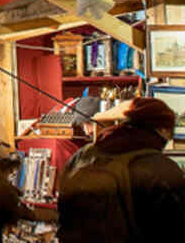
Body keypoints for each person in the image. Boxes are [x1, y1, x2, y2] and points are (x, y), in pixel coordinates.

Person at [58, 96, 185, 242]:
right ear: (161, 129)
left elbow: (63, 210)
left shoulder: (83, 155)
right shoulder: (162, 168)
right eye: (169, 132)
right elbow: (174, 228)